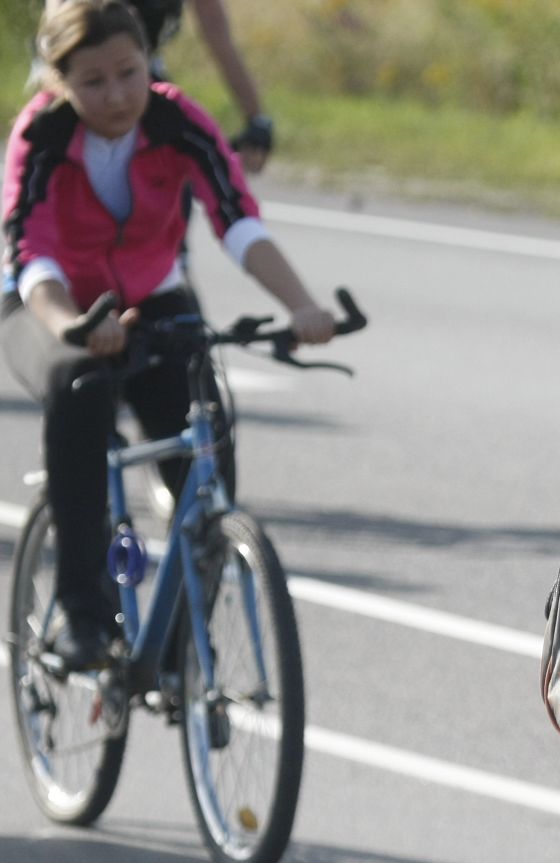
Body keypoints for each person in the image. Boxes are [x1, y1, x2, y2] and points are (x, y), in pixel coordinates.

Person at [2, 0, 334, 670]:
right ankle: (83, 617)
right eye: (93, 82)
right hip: (50, 304)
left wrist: (302, 305)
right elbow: (29, 249)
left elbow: (238, 220)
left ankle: (182, 639)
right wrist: (72, 325)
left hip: (151, 298)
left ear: (146, 63)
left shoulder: (176, 117)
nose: (117, 95)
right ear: (59, 80)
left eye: (128, 72)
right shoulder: (41, 133)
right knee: (81, 383)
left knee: (207, 448)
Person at [43, 0, 274, 172]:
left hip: (138, 74)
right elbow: (58, 34)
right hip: (79, 80)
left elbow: (217, 33)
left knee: (172, 176)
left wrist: (256, 120)